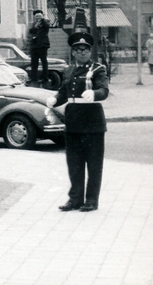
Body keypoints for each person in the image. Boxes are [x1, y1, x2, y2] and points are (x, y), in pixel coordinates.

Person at [48, 32, 109, 212]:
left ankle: (91, 200)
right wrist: (54, 100)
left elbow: (104, 90)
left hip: (93, 123)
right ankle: (75, 199)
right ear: (73, 52)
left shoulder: (98, 70)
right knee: (74, 164)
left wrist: (94, 94)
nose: (82, 53)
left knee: (94, 164)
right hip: (74, 122)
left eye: (86, 50)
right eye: (78, 50)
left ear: (90, 52)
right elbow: (64, 92)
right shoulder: (68, 70)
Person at [27, 9, 51, 86]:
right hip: (35, 46)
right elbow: (31, 31)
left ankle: (45, 77)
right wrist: (36, 26)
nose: (38, 18)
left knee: (44, 62)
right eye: (36, 16)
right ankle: (34, 77)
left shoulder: (45, 22)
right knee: (34, 62)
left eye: (39, 16)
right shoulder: (34, 24)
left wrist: (42, 19)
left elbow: (47, 27)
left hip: (43, 45)